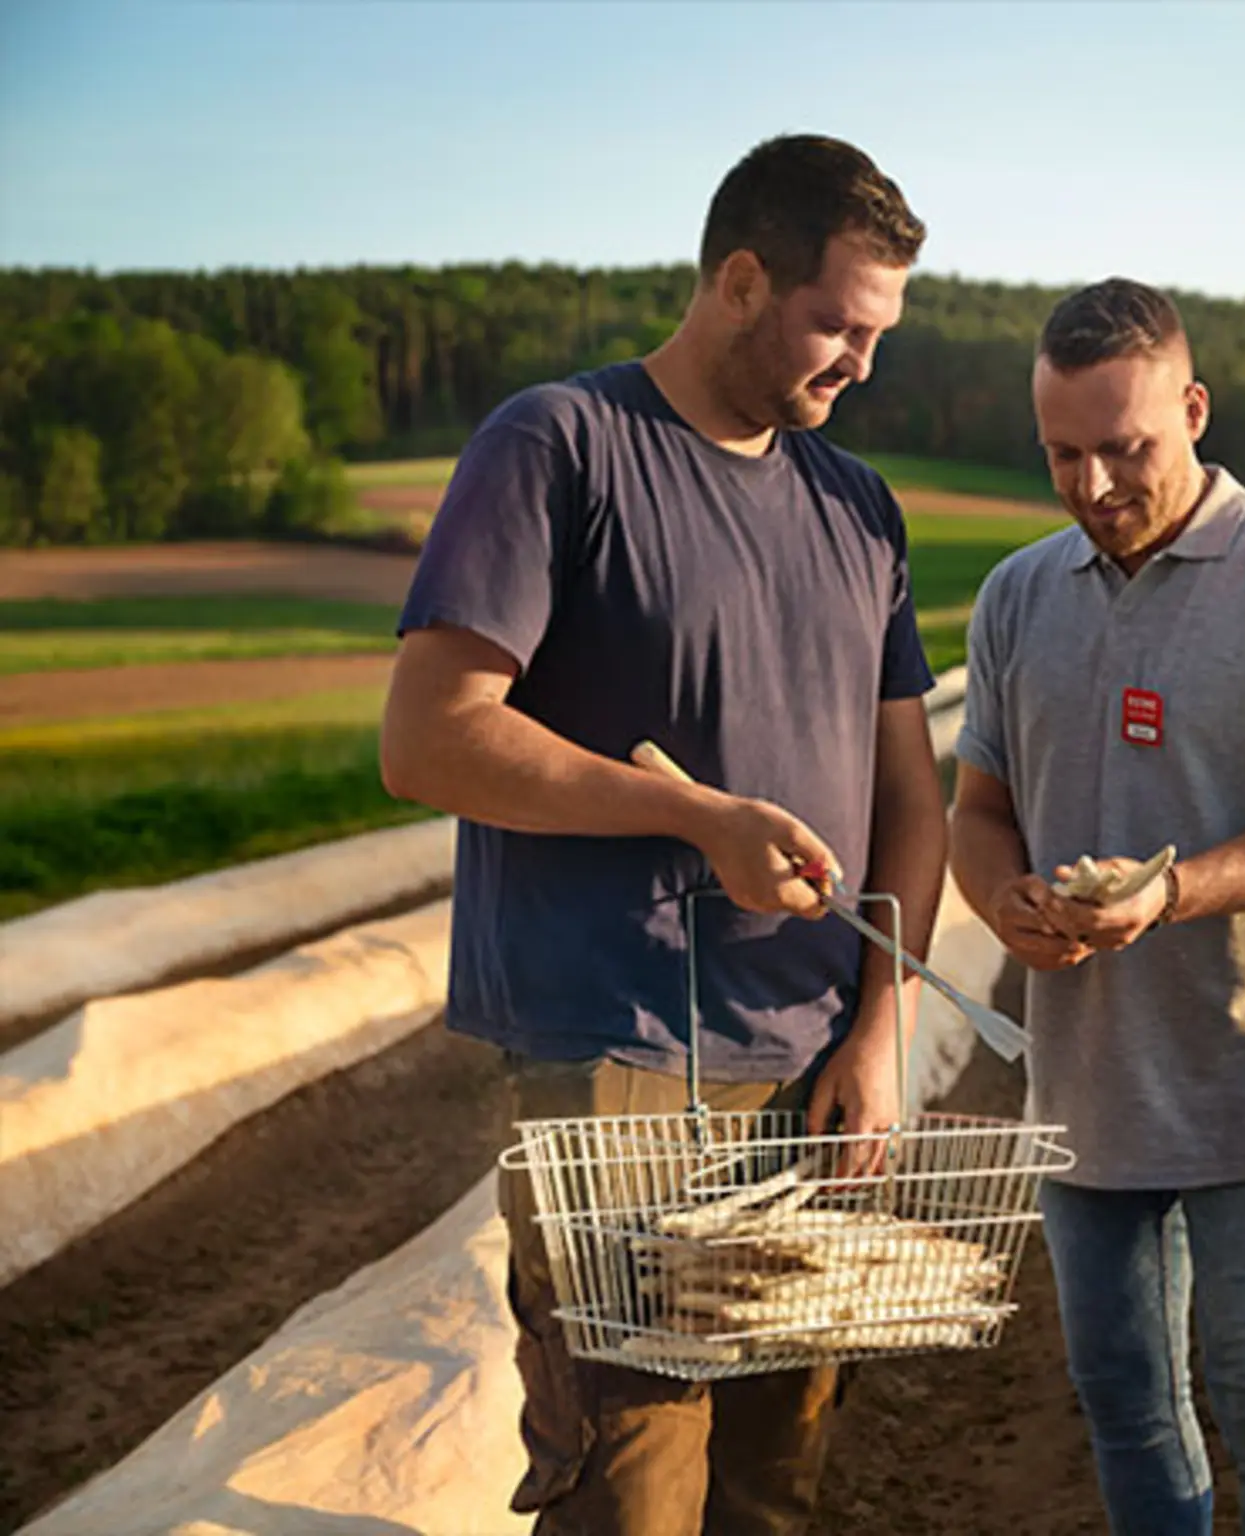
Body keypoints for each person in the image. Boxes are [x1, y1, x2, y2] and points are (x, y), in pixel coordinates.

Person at [378, 134, 947, 1536]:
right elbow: (429, 736)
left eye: (881, 335)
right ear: (742, 281)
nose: (860, 365)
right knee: (630, 1489)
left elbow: (911, 805)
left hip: (812, 1061)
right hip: (617, 1062)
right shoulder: (561, 445)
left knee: (773, 1488)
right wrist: (693, 814)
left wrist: (881, 1030)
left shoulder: (856, 505)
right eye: (838, 324)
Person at [948, 277, 1245, 1535]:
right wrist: (1000, 899)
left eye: (1125, 449)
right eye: (1061, 455)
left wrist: (1173, 893)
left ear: (1193, 409)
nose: (1093, 485)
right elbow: (978, 812)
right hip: (1089, 1075)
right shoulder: (1017, 598)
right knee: (1124, 1399)